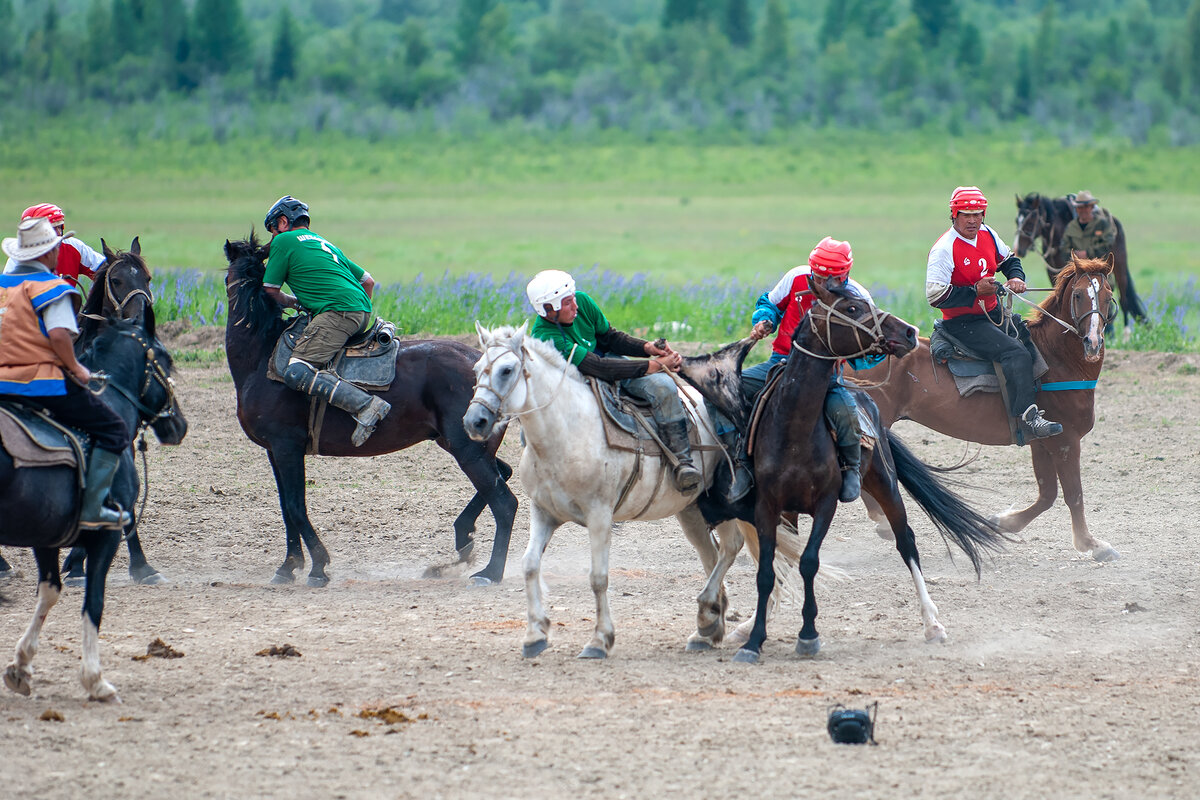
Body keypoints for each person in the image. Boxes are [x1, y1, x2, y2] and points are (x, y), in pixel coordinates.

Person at [0, 217, 133, 529]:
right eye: (55, 247)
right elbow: (60, 336)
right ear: (46, 254)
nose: (59, 252)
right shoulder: (52, 288)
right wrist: (77, 369)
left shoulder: (3, 287)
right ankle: (92, 508)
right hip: (39, 383)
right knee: (113, 429)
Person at [526, 269, 702, 493]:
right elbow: (597, 368)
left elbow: (610, 338)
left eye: (573, 299)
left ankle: (683, 462)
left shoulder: (583, 301)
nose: (576, 306)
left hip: (605, 362)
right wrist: (655, 365)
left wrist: (646, 348)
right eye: (568, 303)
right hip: (576, 382)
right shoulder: (545, 336)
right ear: (549, 310)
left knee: (664, 385)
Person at [739, 237, 880, 503]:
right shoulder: (796, 277)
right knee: (734, 388)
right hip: (780, 363)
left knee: (846, 412)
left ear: (845, 274)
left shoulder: (858, 299)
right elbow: (769, 303)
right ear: (811, 269)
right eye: (818, 277)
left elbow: (870, 343)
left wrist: (854, 354)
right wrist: (766, 320)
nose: (824, 285)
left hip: (825, 375)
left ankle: (851, 471)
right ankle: (741, 461)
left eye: (832, 279)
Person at [926, 186, 1062, 442]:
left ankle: (1035, 402)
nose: (973, 220)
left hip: (992, 312)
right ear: (954, 215)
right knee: (1015, 352)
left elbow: (1010, 260)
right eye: (966, 214)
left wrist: (1015, 277)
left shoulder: (988, 234)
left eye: (978, 214)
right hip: (962, 322)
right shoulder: (944, 248)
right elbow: (935, 296)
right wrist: (975, 291)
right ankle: (1027, 419)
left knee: (1032, 342)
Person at [262, 195, 390, 447]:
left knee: (297, 371)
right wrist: (356, 312)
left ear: (284, 222)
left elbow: (270, 289)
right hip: (361, 310)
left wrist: (294, 303)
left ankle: (366, 406)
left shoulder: (284, 241)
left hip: (337, 313)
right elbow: (368, 281)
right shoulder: (325, 243)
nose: (272, 238)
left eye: (272, 230)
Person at [3, 203, 106, 289]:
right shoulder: (16, 261)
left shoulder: (74, 246)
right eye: (52, 229)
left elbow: (105, 269)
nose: (57, 233)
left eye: (59, 227)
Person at [1063, 190, 1117, 261]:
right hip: (1077, 268)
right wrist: (1074, 255)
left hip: (1098, 267)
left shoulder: (1102, 224)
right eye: (1080, 207)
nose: (1083, 210)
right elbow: (1064, 247)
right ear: (1076, 209)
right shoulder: (1071, 226)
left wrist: (1088, 253)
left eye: (1086, 207)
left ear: (1092, 207)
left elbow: (1108, 244)